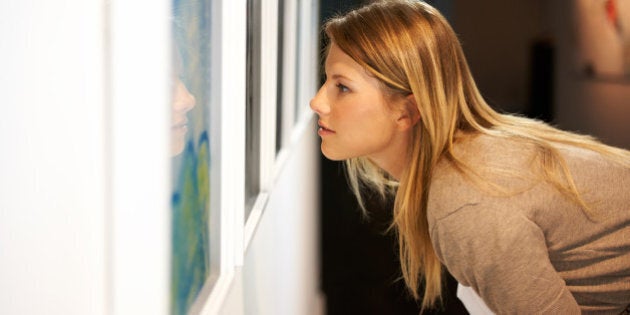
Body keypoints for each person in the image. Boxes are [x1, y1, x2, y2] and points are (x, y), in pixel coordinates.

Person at [309, 1, 630, 313]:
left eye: (343, 87)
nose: (317, 102)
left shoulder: (465, 201)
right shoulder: (471, 159)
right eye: (327, 80)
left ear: (407, 111)